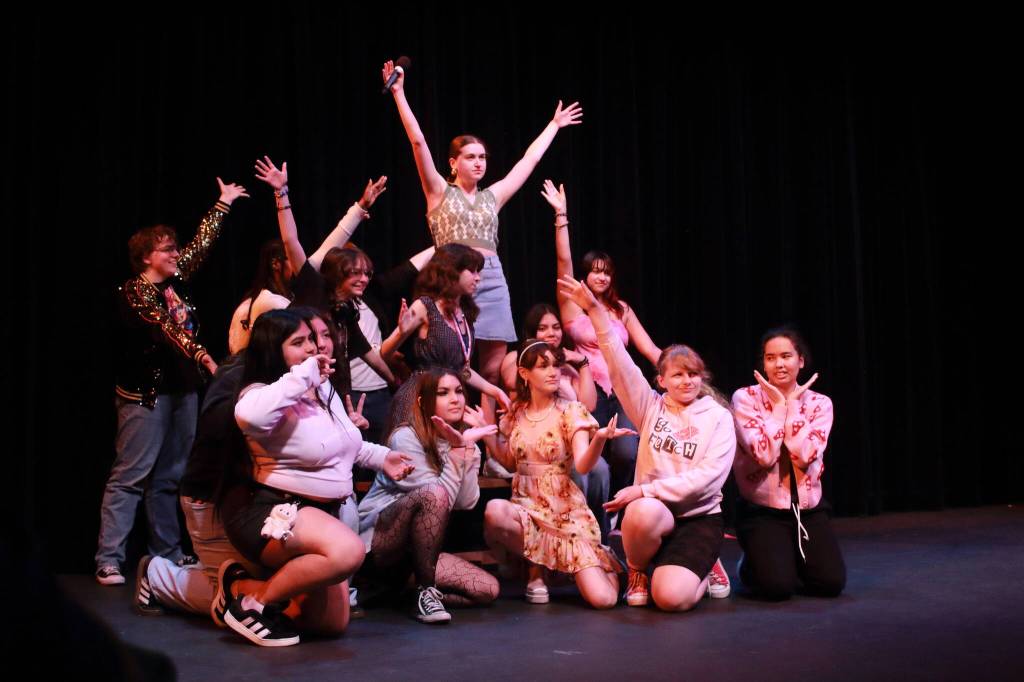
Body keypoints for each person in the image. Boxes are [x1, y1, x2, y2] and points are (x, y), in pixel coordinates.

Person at [382, 59, 582, 391]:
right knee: (448, 363)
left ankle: (488, 425)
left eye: (483, 157)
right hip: (449, 280)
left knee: (491, 371)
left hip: (490, 278)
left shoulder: (493, 196)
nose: (479, 162)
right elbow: (418, 142)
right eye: (471, 157)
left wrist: (554, 125)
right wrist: (399, 94)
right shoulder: (439, 192)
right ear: (453, 163)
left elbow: (528, 161)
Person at [219, 309, 414, 647]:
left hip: (322, 515)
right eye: (298, 342)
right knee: (349, 552)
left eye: (311, 339)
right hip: (275, 512)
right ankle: (253, 605)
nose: (312, 348)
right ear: (273, 350)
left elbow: (343, 443)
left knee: (330, 623)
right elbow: (249, 417)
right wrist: (305, 375)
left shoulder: (321, 390)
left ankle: (237, 586)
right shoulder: (261, 394)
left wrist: (382, 457)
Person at [96, 177, 248, 586]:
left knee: (170, 476)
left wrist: (222, 204)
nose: (177, 254)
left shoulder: (175, 284)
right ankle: (109, 558)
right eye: (167, 249)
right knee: (130, 476)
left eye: (175, 248)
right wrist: (205, 357)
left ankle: (166, 551)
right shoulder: (135, 291)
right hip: (145, 395)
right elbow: (166, 329)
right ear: (146, 257)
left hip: (182, 392)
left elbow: (199, 247)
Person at [557, 275, 735, 612]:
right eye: (678, 374)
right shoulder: (650, 407)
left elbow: (708, 480)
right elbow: (619, 363)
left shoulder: (718, 417)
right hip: (656, 514)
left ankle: (705, 563)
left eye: (693, 374)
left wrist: (644, 489)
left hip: (697, 518)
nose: (687, 381)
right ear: (662, 380)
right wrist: (595, 311)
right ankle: (637, 569)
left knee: (670, 599)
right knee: (640, 511)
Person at [481, 340, 629, 609]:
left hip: (564, 513)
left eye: (556, 366)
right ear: (525, 374)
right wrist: (486, 433)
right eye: (543, 366)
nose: (553, 372)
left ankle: (607, 564)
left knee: (603, 600)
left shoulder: (571, 411)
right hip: (527, 507)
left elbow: (582, 465)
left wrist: (599, 439)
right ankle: (536, 570)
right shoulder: (517, 413)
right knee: (494, 511)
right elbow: (511, 463)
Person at [545, 180, 660, 508]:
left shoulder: (621, 310)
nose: (602, 277)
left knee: (627, 452)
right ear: (585, 276)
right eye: (595, 272)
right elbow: (563, 262)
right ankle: (594, 514)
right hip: (589, 391)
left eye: (607, 272)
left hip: (623, 390)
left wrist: (680, 368)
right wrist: (561, 216)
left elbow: (651, 350)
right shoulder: (573, 305)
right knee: (592, 460)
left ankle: (621, 508)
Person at [357, 369, 499, 623]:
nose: (455, 399)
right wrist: (458, 451)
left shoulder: (461, 440)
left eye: (458, 391)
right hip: (380, 543)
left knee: (487, 590)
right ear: (424, 402)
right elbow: (438, 500)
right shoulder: (405, 437)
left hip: (417, 555)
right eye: (443, 393)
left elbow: (465, 502)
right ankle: (425, 591)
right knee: (434, 495)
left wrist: (468, 450)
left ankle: (404, 595)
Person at [253, 155, 396, 398]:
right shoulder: (313, 287)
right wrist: (281, 192)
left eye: (367, 274)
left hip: (332, 392)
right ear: (339, 274)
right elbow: (290, 241)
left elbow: (368, 354)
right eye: (355, 273)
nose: (364, 279)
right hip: (299, 389)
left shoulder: (345, 311)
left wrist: (397, 383)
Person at [731, 328, 845, 600]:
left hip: (807, 509)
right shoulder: (745, 398)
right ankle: (751, 563)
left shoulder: (820, 404)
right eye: (770, 358)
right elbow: (764, 455)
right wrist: (779, 408)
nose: (779, 364)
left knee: (830, 583)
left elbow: (805, 455)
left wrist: (792, 408)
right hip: (762, 509)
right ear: (763, 364)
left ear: (800, 361)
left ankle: (789, 557)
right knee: (777, 588)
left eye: (786, 356)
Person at [499, 304, 610, 540]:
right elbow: (512, 381)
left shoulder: (564, 368)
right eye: (543, 328)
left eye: (556, 327)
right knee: (576, 471)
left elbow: (589, 404)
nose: (551, 333)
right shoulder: (517, 359)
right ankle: (567, 530)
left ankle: (599, 534)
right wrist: (540, 363)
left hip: (569, 443)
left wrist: (581, 362)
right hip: (535, 445)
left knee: (599, 469)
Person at [380, 243, 511, 434]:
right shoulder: (426, 306)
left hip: (450, 399)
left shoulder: (464, 313)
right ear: (452, 272)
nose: (478, 277)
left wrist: (495, 391)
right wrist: (401, 332)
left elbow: (462, 369)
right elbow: (384, 353)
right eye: (472, 271)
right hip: (422, 398)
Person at [227, 239, 293, 355]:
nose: (296, 262)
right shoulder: (269, 301)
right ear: (275, 264)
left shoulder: (270, 296)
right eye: (291, 258)